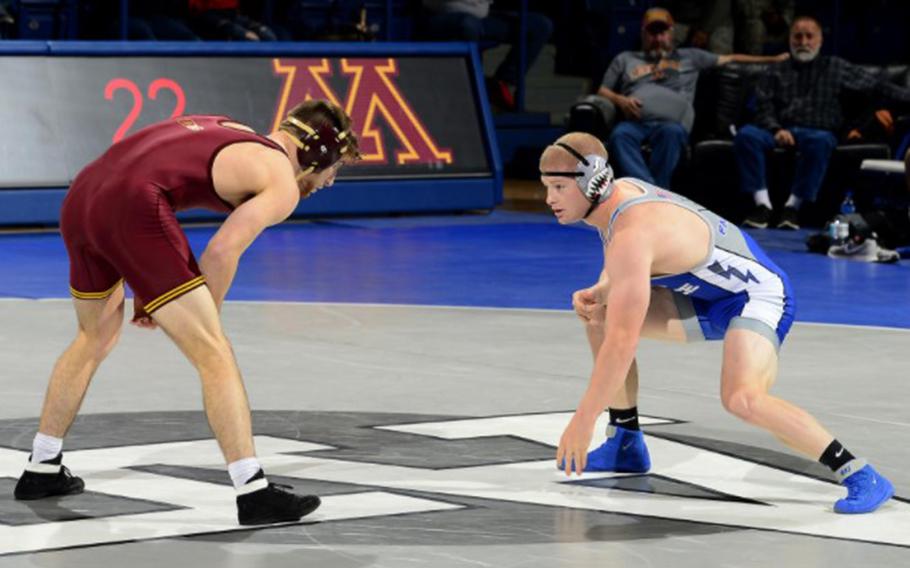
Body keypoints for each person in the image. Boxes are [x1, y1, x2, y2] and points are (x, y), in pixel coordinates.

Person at [13, 100, 360, 526]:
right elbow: (222, 250)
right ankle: (253, 492)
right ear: (317, 155)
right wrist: (199, 316)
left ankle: (42, 466)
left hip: (83, 194)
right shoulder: (281, 181)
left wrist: (159, 289)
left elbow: (146, 175)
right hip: (133, 207)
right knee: (214, 352)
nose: (330, 181)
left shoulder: (228, 123)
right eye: (335, 168)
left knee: (94, 337)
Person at [541, 131, 894, 514]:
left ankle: (859, 472)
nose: (549, 199)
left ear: (593, 180)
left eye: (559, 187)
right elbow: (631, 272)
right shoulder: (618, 198)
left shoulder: (631, 230)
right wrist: (602, 289)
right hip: (708, 296)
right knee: (599, 311)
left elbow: (622, 343)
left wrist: (582, 420)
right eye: (547, 187)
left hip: (757, 297)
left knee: (742, 399)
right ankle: (625, 442)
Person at [735, 15, 910, 230]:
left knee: (821, 141)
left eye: (809, 36)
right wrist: (776, 129)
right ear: (790, 39)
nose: (803, 42)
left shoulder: (835, 67)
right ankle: (762, 206)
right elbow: (763, 104)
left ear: (820, 41)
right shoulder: (776, 69)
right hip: (778, 130)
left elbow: (877, 85)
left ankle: (792, 208)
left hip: (817, 131)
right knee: (747, 135)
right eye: (798, 36)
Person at [597, 7, 786, 189]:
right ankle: (649, 190)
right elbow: (603, 90)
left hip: (671, 123)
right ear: (643, 34)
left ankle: (654, 192)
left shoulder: (690, 57)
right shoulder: (625, 58)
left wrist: (773, 60)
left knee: (672, 134)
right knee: (619, 135)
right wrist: (620, 100)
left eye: (662, 33)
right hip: (636, 121)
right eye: (652, 33)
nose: (658, 39)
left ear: (672, 33)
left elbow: (731, 58)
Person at [421, 0, 553, 111]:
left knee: (539, 26)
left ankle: (501, 84)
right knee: (469, 25)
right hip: (441, 16)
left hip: (481, 17)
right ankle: (472, 90)